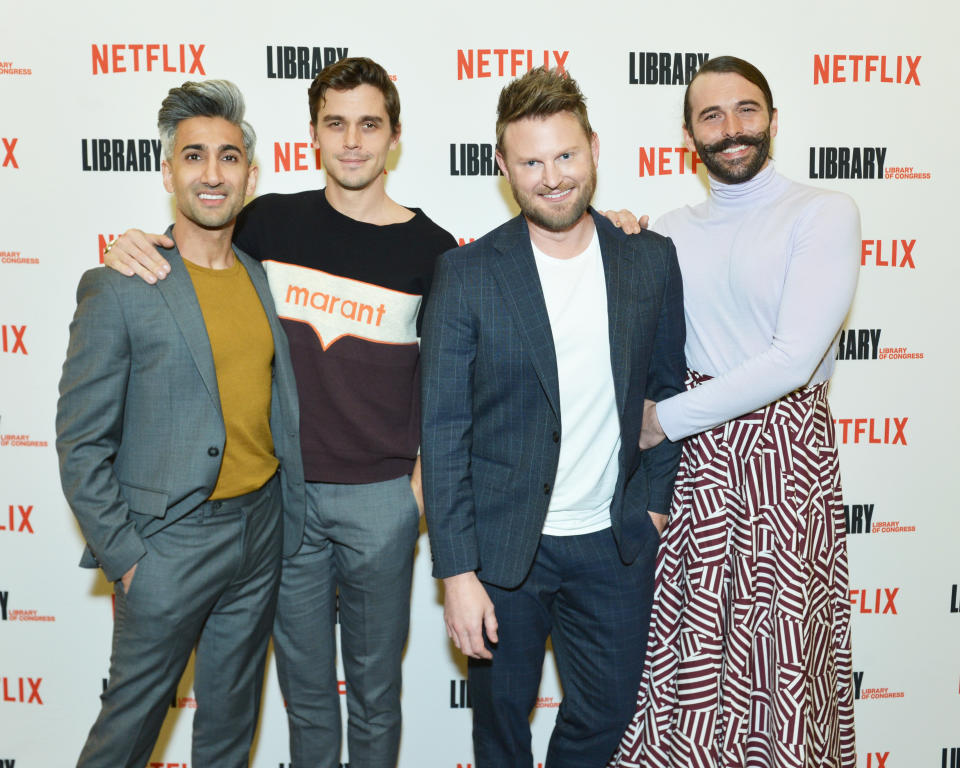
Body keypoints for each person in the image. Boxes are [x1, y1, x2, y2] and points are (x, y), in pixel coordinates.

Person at [102, 57, 456, 768]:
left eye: (369, 125)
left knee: (377, 692)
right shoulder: (268, 223)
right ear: (313, 136)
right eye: (336, 124)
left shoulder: (434, 250)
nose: (352, 141)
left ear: (394, 138)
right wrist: (134, 241)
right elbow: (194, 258)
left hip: (381, 503)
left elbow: (447, 389)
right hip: (284, 505)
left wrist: (412, 496)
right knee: (305, 694)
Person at [421, 67, 686, 767]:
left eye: (565, 155)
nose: (553, 177)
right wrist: (457, 572)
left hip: (612, 544)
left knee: (603, 719)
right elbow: (443, 428)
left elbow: (665, 389)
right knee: (500, 736)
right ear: (504, 167)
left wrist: (653, 504)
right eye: (532, 162)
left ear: (594, 148)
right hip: (505, 554)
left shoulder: (650, 260)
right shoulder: (468, 274)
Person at [610, 56, 859, 768]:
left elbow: (792, 360)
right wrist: (617, 241)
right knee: (683, 648)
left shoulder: (821, 212)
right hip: (694, 470)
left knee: (778, 653)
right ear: (688, 134)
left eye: (746, 111)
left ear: (774, 120)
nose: (731, 130)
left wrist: (663, 421)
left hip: (782, 458)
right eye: (711, 117)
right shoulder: (667, 230)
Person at [56, 80, 306, 768]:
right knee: (127, 733)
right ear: (168, 171)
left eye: (228, 157)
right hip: (168, 543)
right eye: (193, 156)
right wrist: (129, 558)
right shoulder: (122, 283)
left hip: (259, 533)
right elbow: (80, 441)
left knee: (229, 732)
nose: (212, 173)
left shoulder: (258, 276)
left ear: (250, 175)